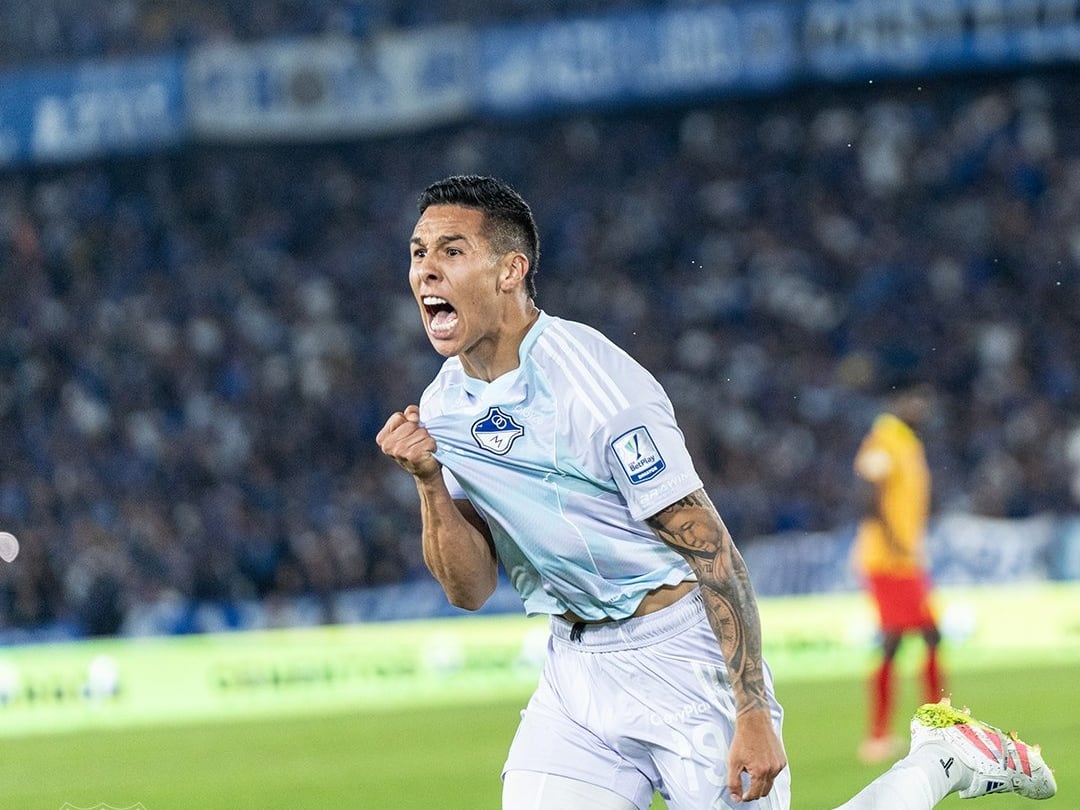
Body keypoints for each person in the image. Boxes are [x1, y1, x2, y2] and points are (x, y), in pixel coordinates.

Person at [376, 175, 1055, 809]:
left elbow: (713, 550)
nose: (426, 270)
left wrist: (751, 711)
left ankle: (940, 762)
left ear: (510, 270)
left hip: (680, 656)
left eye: (451, 251)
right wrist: (430, 484)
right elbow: (469, 590)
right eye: (418, 253)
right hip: (573, 672)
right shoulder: (444, 408)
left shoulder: (594, 387)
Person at [852, 386, 944, 764]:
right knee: (900, 639)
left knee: (926, 636)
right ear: (898, 401)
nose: (921, 406)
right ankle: (882, 735)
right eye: (914, 398)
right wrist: (892, 538)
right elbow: (867, 491)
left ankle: (935, 725)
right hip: (888, 560)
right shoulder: (886, 436)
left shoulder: (908, 442)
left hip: (906, 559)